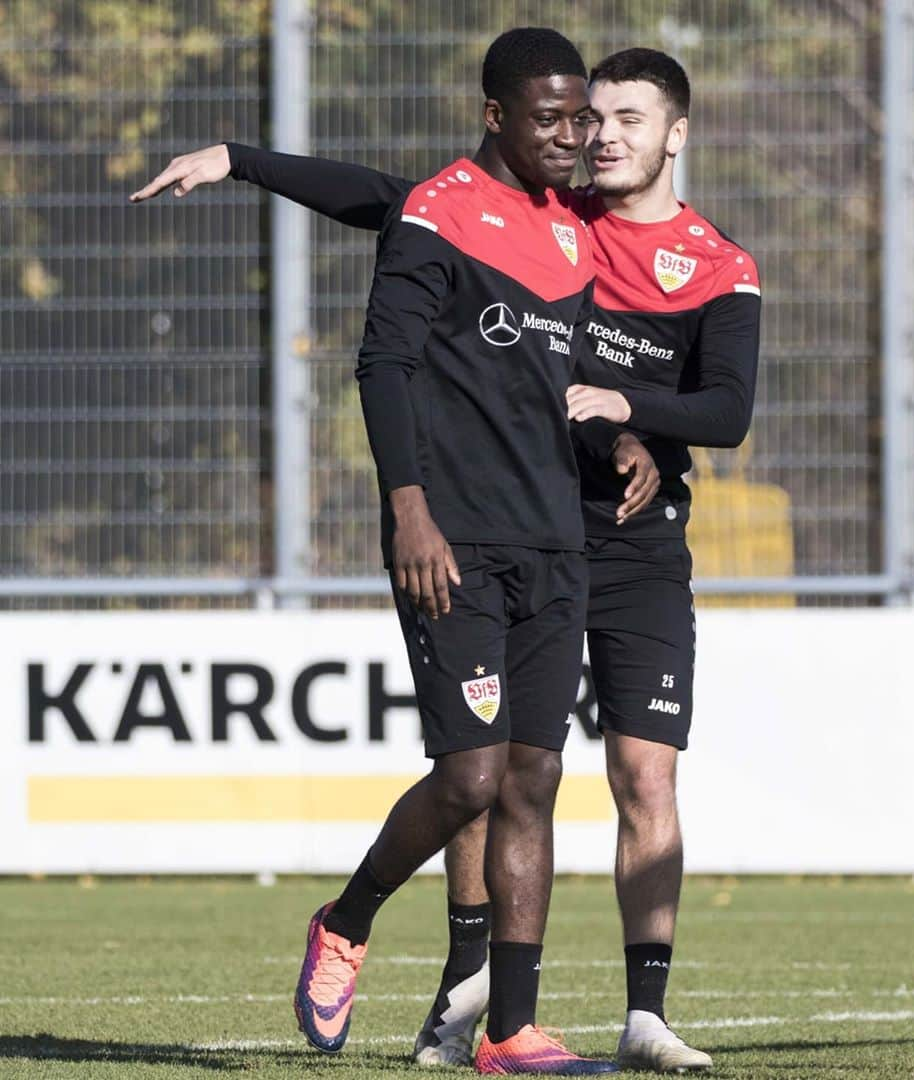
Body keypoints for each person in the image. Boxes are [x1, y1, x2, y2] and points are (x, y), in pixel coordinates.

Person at [132, 46, 761, 1074]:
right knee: (471, 779)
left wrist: (627, 431)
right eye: (564, 120)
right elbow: (385, 288)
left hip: (577, 543)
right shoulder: (461, 209)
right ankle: (358, 925)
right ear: (503, 117)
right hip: (458, 540)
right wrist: (243, 159)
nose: (586, 138)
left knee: (543, 780)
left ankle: (511, 1027)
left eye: (601, 121)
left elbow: (603, 383)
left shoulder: (604, 236)